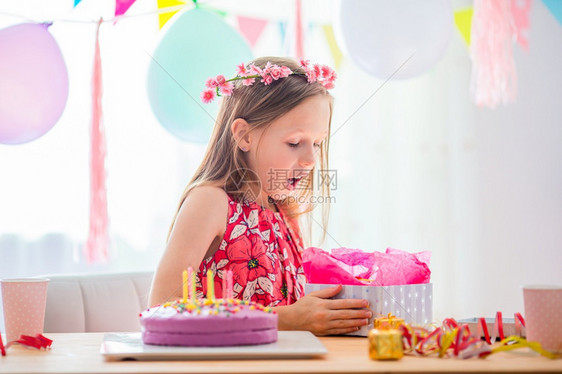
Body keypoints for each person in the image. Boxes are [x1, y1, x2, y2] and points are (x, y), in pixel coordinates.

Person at [149, 56, 371, 335]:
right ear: (244, 136)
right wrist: (284, 319)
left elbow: (289, 308)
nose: (310, 159)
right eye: (294, 143)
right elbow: (161, 309)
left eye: (317, 143)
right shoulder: (211, 202)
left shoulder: (283, 210)